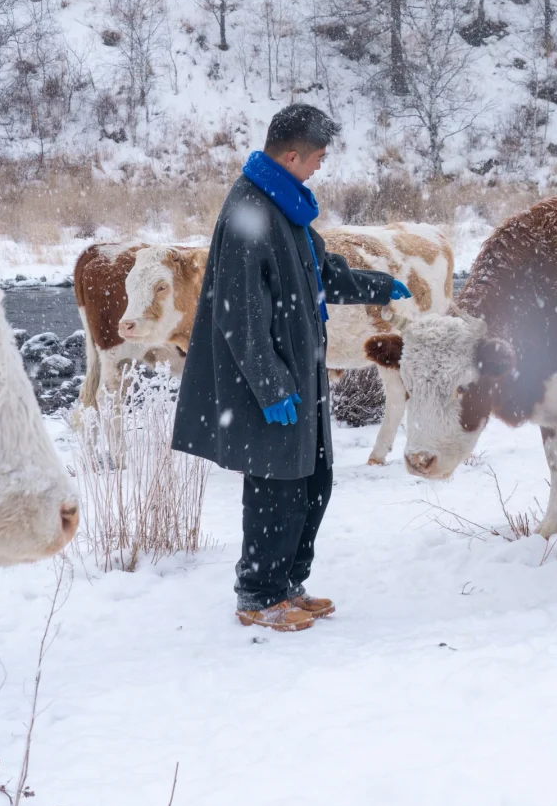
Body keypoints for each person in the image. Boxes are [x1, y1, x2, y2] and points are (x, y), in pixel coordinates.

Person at [172, 103, 409, 631]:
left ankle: (287, 586)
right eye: (319, 157)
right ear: (294, 154)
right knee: (276, 487)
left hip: (302, 373)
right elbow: (241, 313)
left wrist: (377, 285)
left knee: (313, 482)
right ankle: (258, 596)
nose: (322, 166)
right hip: (269, 382)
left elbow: (319, 273)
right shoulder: (248, 210)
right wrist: (271, 384)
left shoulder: (288, 206)